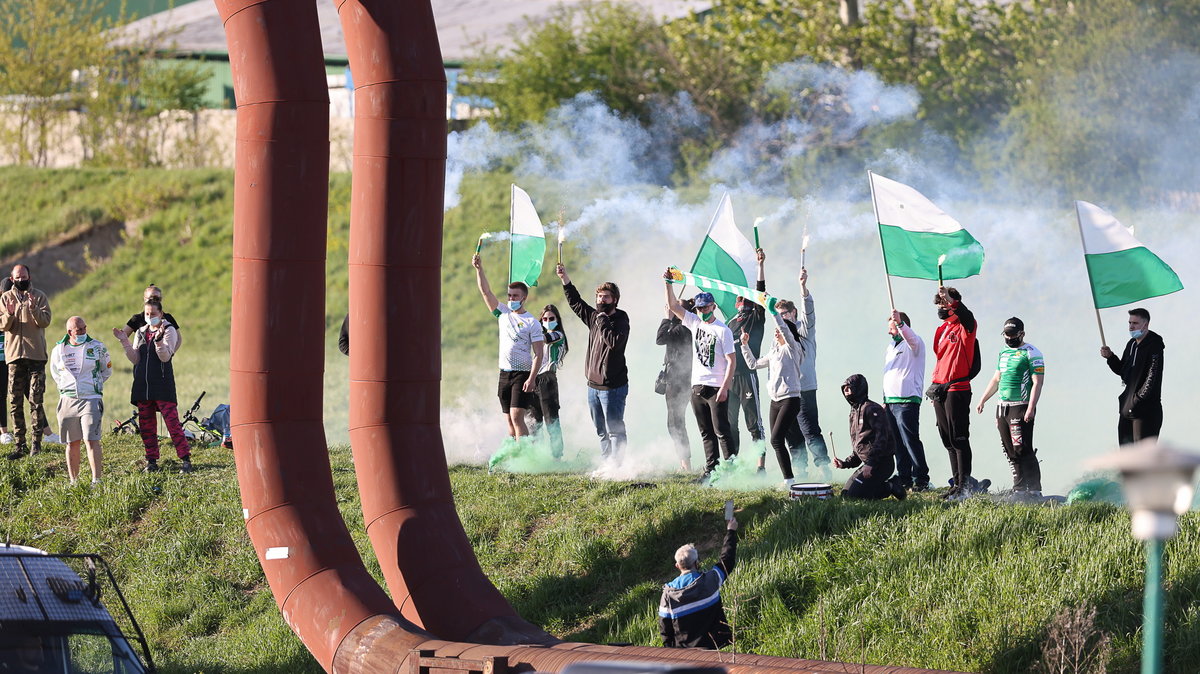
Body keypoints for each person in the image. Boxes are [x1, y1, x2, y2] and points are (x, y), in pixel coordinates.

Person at [557, 263, 630, 462]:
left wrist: (603, 320)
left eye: (606, 297)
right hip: (593, 386)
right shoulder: (594, 317)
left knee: (614, 429)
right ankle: (608, 463)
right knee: (601, 430)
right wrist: (565, 279)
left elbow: (614, 342)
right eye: (599, 297)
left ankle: (619, 466)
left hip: (612, 387)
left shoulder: (621, 320)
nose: (601, 300)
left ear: (614, 300)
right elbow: (576, 303)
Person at [665, 278, 736, 480]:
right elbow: (672, 306)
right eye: (699, 308)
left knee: (721, 430)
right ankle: (711, 470)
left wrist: (724, 388)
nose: (702, 311)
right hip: (697, 386)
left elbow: (732, 361)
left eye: (705, 308)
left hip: (716, 387)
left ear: (713, 306)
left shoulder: (723, 330)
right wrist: (667, 283)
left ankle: (731, 470)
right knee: (706, 432)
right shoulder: (694, 323)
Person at [472, 254, 544, 444]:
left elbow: (539, 353)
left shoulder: (532, 323)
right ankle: (514, 455)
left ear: (524, 298)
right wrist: (479, 269)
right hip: (504, 373)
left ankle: (525, 458)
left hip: (522, 374)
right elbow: (486, 292)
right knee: (509, 422)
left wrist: (531, 378)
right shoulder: (503, 313)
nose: (511, 299)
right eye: (509, 295)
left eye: (515, 296)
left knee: (516, 417)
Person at [113, 299, 192, 473]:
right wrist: (124, 341)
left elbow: (165, 357)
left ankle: (185, 460)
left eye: (153, 314)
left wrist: (158, 341)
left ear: (161, 314)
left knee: (172, 424)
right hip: (142, 385)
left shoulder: (169, 330)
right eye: (147, 314)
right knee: (147, 427)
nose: (150, 317)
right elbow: (135, 359)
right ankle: (152, 461)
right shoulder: (141, 332)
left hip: (162, 385)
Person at [976, 317, 1044, 496]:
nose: (1009, 338)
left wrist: (1030, 408)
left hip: (1020, 405)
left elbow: (1037, 383)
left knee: (1022, 447)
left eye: (1013, 335)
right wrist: (983, 399)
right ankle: (1019, 489)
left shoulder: (1032, 352)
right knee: (1010, 450)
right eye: (1006, 334)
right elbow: (996, 379)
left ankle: (1035, 489)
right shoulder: (1003, 352)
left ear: (1022, 334)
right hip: (1002, 407)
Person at [740, 309, 804, 487]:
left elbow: (784, 329)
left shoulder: (793, 348)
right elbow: (753, 364)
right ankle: (790, 477)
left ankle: (790, 480)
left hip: (790, 399)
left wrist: (773, 311)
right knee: (779, 440)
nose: (776, 334)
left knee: (777, 439)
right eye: (775, 332)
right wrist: (744, 345)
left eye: (779, 331)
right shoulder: (774, 352)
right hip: (775, 401)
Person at [658, 514, 739, 649]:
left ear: (677, 566)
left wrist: (672, 653)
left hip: (686, 655)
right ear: (697, 563)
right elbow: (727, 560)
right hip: (714, 647)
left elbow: (665, 630)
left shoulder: (668, 594)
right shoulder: (710, 581)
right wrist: (731, 531)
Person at [780, 269, 831, 479]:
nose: (782, 318)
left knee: (810, 430)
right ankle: (799, 470)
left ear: (793, 313)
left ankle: (823, 467)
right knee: (791, 432)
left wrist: (802, 288)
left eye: (785, 314)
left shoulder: (804, 330)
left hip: (805, 388)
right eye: (779, 315)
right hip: (786, 391)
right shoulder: (779, 336)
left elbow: (808, 311)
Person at [50, 316, 112, 485]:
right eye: (79, 330)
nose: (84, 332)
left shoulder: (97, 346)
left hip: (91, 398)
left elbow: (106, 370)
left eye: (85, 328)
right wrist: (66, 387)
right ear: (70, 332)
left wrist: (93, 386)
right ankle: (73, 482)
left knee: (91, 439)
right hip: (68, 400)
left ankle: (96, 480)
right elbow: (55, 373)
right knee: (72, 442)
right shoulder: (58, 350)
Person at [930, 286, 979, 499]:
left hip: (957, 388)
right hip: (940, 389)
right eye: (939, 305)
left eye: (944, 305)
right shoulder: (942, 330)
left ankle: (965, 488)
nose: (941, 308)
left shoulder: (965, 327)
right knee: (947, 439)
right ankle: (956, 484)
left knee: (959, 438)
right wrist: (934, 389)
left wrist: (952, 301)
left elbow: (968, 316)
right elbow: (941, 360)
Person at [1, 265, 52, 461]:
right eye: (17, 277)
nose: (21, 279)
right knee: (15, 402)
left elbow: (45, 321)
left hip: (36, 356)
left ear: (29, 276)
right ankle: (19, 444)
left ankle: (36, 444)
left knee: (36, 401)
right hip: (14, 357)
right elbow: (2, 325)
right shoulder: (5, 299)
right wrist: (10, 314)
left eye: (24, 276)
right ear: (12, 279)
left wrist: (33, 308)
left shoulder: (39, 296)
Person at [725, 249, 767, 468]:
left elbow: (761, 293)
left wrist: (760, 265)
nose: (742, 300)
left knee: (754, 424)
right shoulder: (730, 322)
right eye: (739, 298)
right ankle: (732, 463)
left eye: (745, 297)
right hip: (729, 377)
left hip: (747, 376)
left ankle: (760, 466)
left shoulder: (756, 317)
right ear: (735, 303)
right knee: (730, 423)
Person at [834, 374, 905, 500]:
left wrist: (871, 463)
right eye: (844, 387)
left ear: (859, 388)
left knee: (854, 496)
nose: (846, 390)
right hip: (868, 463)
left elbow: (882, 438)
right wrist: (844, 463)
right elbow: (860, 448)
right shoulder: (853, 413)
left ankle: (891, 486)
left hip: (881, 463)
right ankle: (880, 486)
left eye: (849, 386)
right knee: (845, 495)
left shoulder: (871, 408)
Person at [1101, 307, 1164, 445]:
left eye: (1135, 323)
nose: (1131, 326)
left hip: (1146, 412)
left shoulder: (1155, 345)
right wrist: (1110, 357)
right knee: (1126, 459)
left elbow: (1151, 377)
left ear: (1145, 324)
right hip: (1127, 410)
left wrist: (1136, 399)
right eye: (1129, 323)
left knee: (1142, 459)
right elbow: (1123, 371)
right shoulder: (1131, 345)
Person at [883, 310, 930, 492]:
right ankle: (904, 478)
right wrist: (885, 399)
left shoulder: (914, 343)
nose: (889, 332)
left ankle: (921, 479)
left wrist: (901, 324)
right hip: (891, 401)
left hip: (907, 400)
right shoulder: (890, 347)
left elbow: (910, 338)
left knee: (910, 440)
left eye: (892, 328)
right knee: (897, 443)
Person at [657, 298, 695, 471]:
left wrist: (666, 318)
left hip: (680, 380)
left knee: (675, 422)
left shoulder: (683, 328)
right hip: (676, 378)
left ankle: (686, 464)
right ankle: (683, 463)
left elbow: (660, 338)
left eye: (676, 307)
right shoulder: (681, 326)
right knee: (674, 422)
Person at [526, 304, 569, 459]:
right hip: (533, 379)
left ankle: (557, 456)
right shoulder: (538, 339)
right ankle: (537, 457)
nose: (548, 320)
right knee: (533, 420)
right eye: (545, 319)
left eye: (551, 318)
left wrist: (526, 331)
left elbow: (546, 338)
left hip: (547, 379)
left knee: (551, 420)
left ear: (557, 319)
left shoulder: (558, 335)